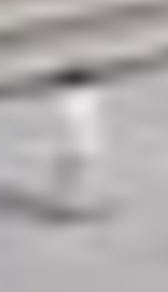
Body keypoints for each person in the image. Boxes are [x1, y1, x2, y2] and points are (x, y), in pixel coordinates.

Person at [45, 64, 113, 223]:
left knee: (70, 178)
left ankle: (70, 207)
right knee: (77, 178)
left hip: (74, 145)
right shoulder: (79, 98)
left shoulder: (66, 98)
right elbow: (79, 124)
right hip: (80, 145)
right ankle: (73, 209)